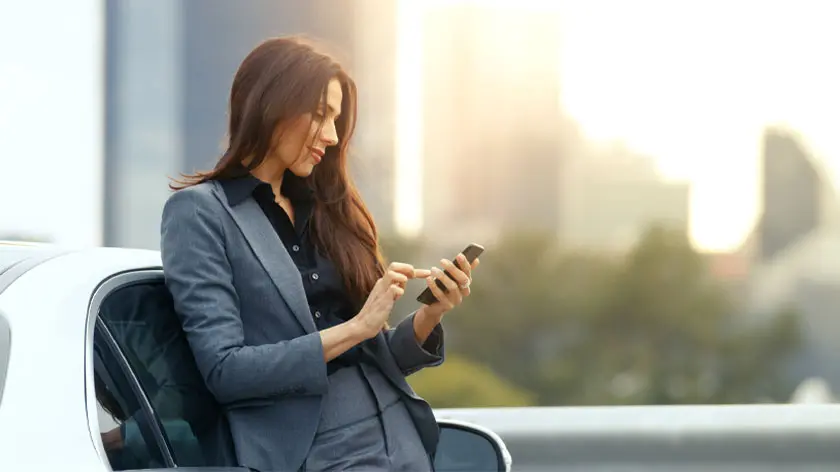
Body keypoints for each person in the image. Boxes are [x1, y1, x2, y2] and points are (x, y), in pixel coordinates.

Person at [160, 36, 479, 472]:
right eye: (321, 115)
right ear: (272, 104)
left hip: (400, 439)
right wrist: (357, 327)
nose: (331, 136)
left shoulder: (330, 209)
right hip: (313, 453)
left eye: (336, 120)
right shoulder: (200, 212)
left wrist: (428, 316)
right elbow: (224, 371)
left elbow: (373, 357)